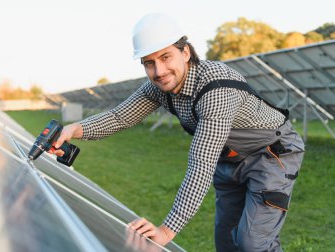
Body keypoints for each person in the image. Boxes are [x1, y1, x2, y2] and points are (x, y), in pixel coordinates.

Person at [50, 13, 305, 251]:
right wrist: (72, 129)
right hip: (230, 161)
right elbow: (119, 117)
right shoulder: (159, 87)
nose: (159, 71)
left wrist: (166, 231)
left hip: (271, 155)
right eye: (149, 63)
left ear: (185, 52)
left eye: (165, 57)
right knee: (226, 240)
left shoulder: (215, 88)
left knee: (252, 242)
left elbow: (201, 162)